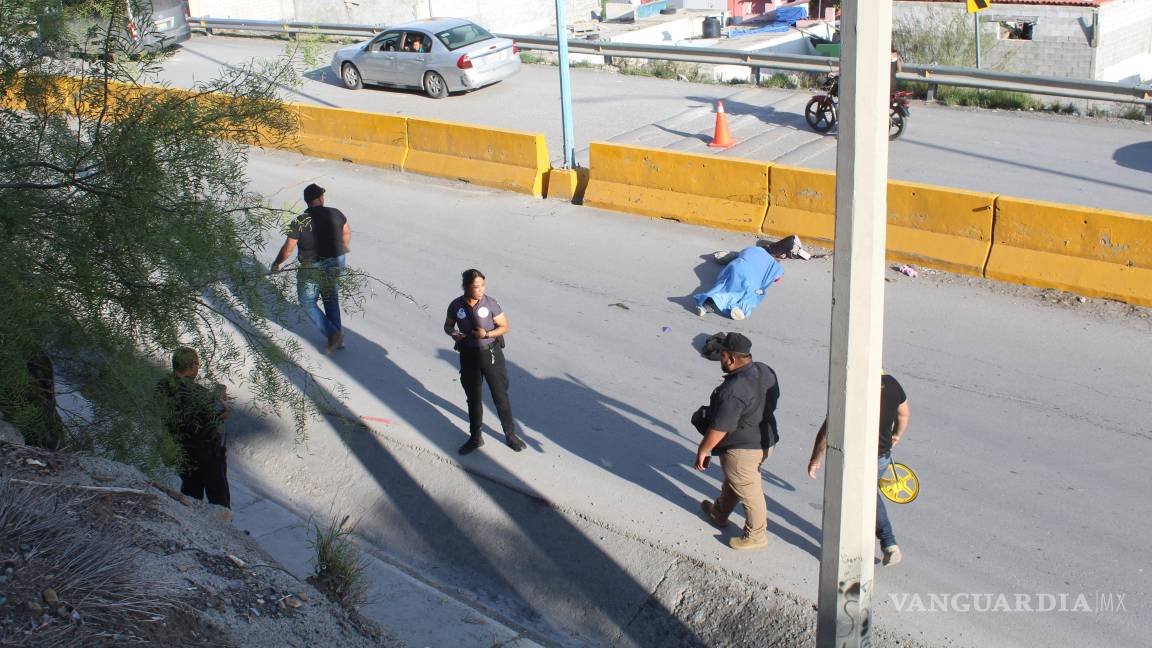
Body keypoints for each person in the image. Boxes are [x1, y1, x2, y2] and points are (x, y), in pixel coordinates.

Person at [807, 372, 910, 566]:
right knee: (868, 495)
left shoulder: (851, 391)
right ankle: (887, 544)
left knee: (853, 500)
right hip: (881, 457)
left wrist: (815, 458)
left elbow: (828, 430)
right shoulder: (891, 383)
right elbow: (903, 413)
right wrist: (896, 434)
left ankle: (874, 546)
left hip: (855, 459)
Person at [693, 332, 781, 550]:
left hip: (743, 449)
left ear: (731, 359)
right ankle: (719, 513)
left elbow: (720, 428)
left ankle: (756, 535)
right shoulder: (764, 370)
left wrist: (703, 450)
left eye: (722, 356)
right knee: (737, 479)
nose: (720, 360)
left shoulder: (733, 390)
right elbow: (774, 399)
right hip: (766, 439)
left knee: (749, 491)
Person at [444, 269, 526, 455]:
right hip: (468, 355)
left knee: (500, 396)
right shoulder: (456, 305)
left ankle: (510, 435)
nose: (481, 289)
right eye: (476, 287)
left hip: (490, 354)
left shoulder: (490, 304)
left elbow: (504, 326)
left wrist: (487, 334)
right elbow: (448, 326)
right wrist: (453, 333)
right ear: (465, 287)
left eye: (483, 285)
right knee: (473, 398)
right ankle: (475, 437)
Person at [271, 184, 351, 355]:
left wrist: (277, 263)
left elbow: (288, 249)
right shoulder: (335, 213)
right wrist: (342, 247)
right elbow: (346, 232)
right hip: (336, 260)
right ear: (321, 198)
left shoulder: (300, 221)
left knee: (307, 301)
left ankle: (333, 334)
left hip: (312, 266)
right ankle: (337, 337)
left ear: (307, 201)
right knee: (330, 296)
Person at [157, 347, 231, 507]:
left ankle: (189, 518)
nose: (198, 368)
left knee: (190, 494)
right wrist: (219, 397)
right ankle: (220, 523)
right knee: (219, 499)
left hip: (180, 450)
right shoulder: (196, 392)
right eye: (197, 364)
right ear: (192, 366)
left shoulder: (161, 387)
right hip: (205, 451)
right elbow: (222, 413)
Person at [694, 245, 783, 320]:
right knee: (754, 293)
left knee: (724, 287)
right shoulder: (774, 264)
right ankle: (739, 308)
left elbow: (733, 255)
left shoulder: (752, 249)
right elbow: (777, 278)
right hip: (750, 277)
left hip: (737, 267)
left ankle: (705, 306)